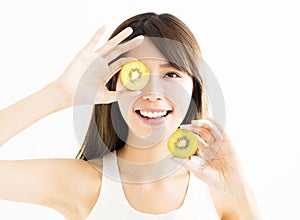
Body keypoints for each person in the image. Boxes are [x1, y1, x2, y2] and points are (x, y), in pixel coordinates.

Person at [0, 12, 262, 219]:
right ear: (112, 84)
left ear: (193, 88)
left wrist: (240, 190)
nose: (153, 93)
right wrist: (60, 93)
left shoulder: (218, 191)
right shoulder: (83, 182)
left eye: (171, 74)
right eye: (136, 74)